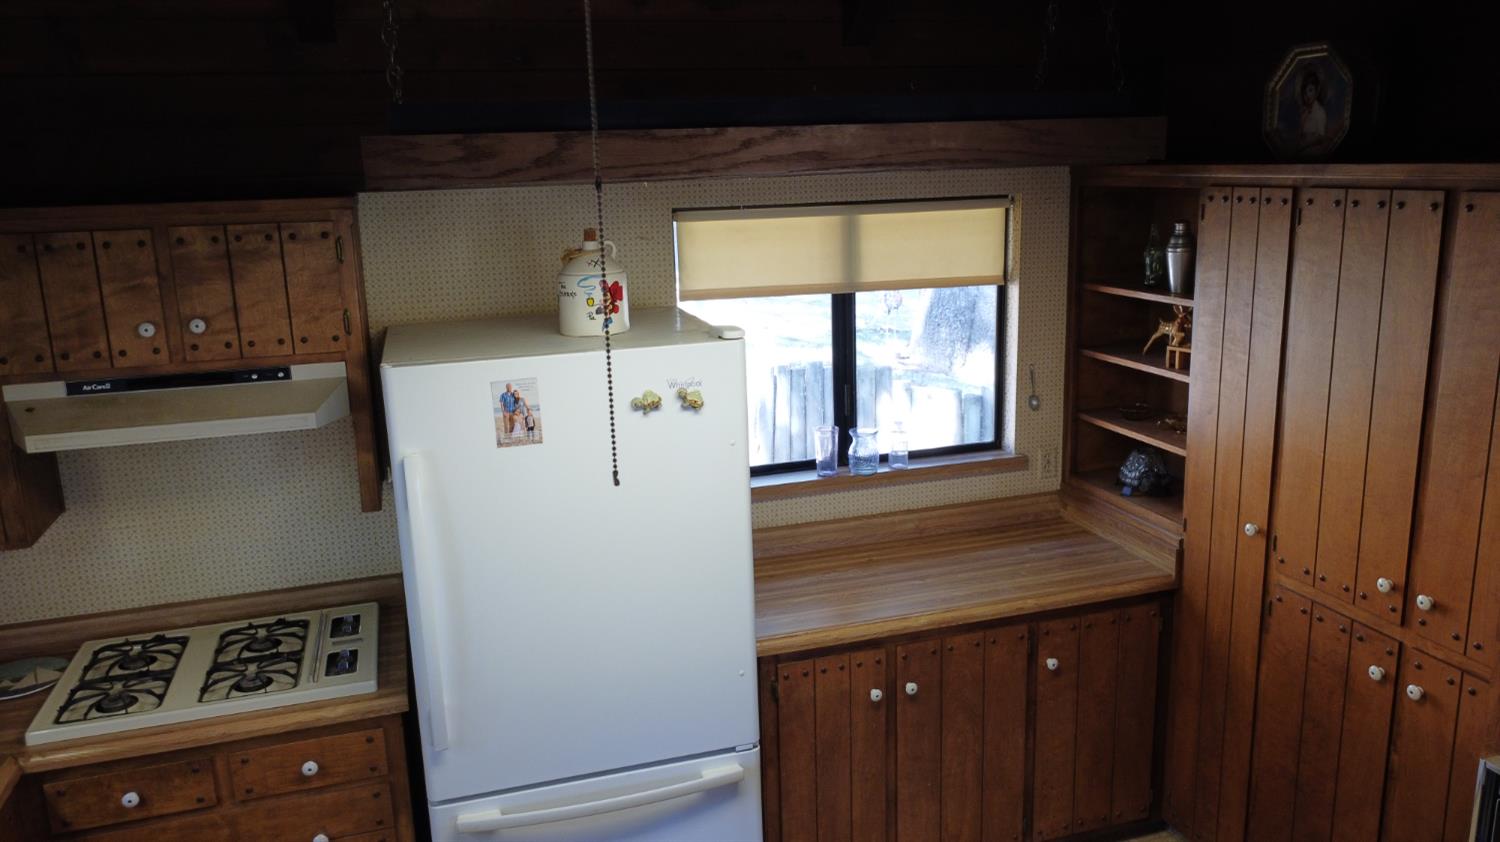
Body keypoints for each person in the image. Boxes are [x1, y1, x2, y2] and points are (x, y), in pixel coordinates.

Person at [1299, 69, 1328, 152]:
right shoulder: (1304, 112)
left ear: (1317, 91)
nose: (1308, 95)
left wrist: (1304, 146)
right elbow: (1300, 134)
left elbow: (1321, 137)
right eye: (1305, 92)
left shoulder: (1320, 112)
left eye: (1310, 90)